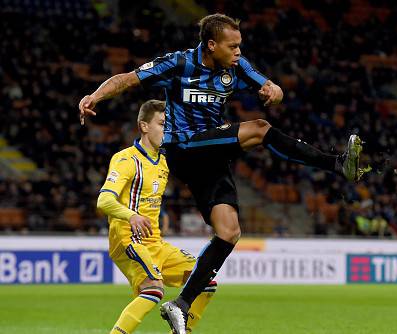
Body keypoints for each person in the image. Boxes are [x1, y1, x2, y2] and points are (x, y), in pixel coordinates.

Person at [80, 14, 365, 334]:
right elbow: (128, 78)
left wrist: (275, 90)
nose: (239, 52)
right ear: (211, 45)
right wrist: (95, 96)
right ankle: (338, 164)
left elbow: (269, 86)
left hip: (211, 157)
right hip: (183, 148)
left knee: (229, 232)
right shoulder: (178, 64)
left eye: (240, 45)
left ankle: (181, 305)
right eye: (233, 46)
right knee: (260, 129)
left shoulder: (236, 67)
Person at [96, 100, 216, 334]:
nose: (167, 130)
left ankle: (181, 330)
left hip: (155, 242)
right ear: (143, 126)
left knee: (205, 281)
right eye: (162, 124)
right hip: (127, 238)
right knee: (153, 289)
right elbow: (104, 200)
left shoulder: (164, 161)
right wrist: (131, 216)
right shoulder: (126, 159)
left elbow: (147, 195)